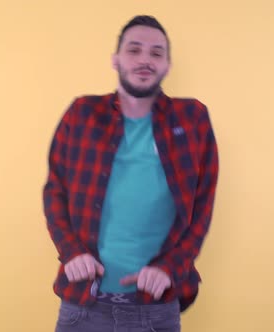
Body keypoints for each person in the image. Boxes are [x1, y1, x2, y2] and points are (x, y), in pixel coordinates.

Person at [43, 15, 219, 332]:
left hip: (155, 306)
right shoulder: (82, 112)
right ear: (116, 59)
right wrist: (70, 251)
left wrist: (170, 267)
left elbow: (202, 207)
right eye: (134, 50)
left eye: (156, 53)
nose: (145, 60)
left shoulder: (193, 118)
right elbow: (55, 190)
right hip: (83, 305)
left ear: (167, 64)